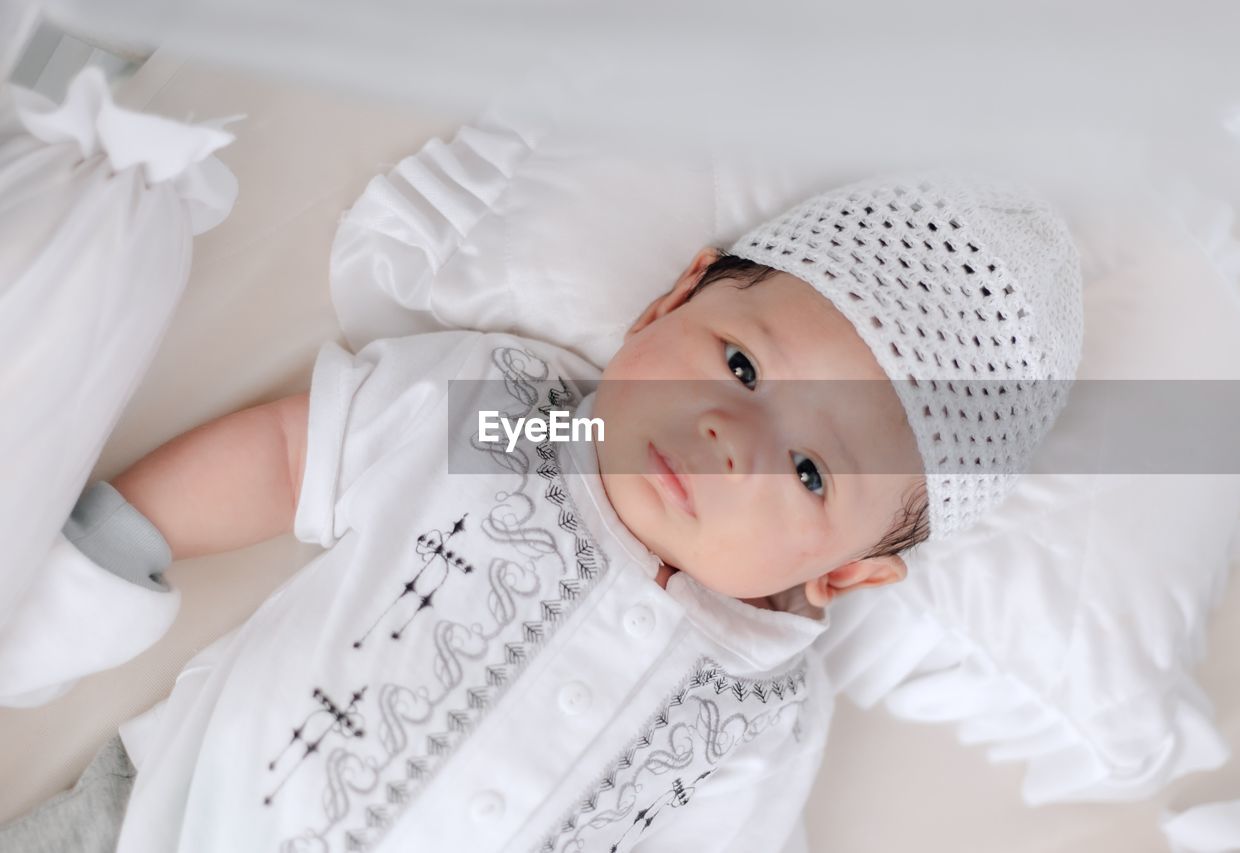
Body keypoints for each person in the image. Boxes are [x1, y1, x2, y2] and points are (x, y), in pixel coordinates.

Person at [0, 175, 1083, 852]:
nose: (727, 440)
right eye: (742, 363)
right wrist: (110, 546)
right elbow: (293, 452)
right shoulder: (520, 425)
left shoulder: (766, 714)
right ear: (672, 296)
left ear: (843, 573)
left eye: (808, 473)